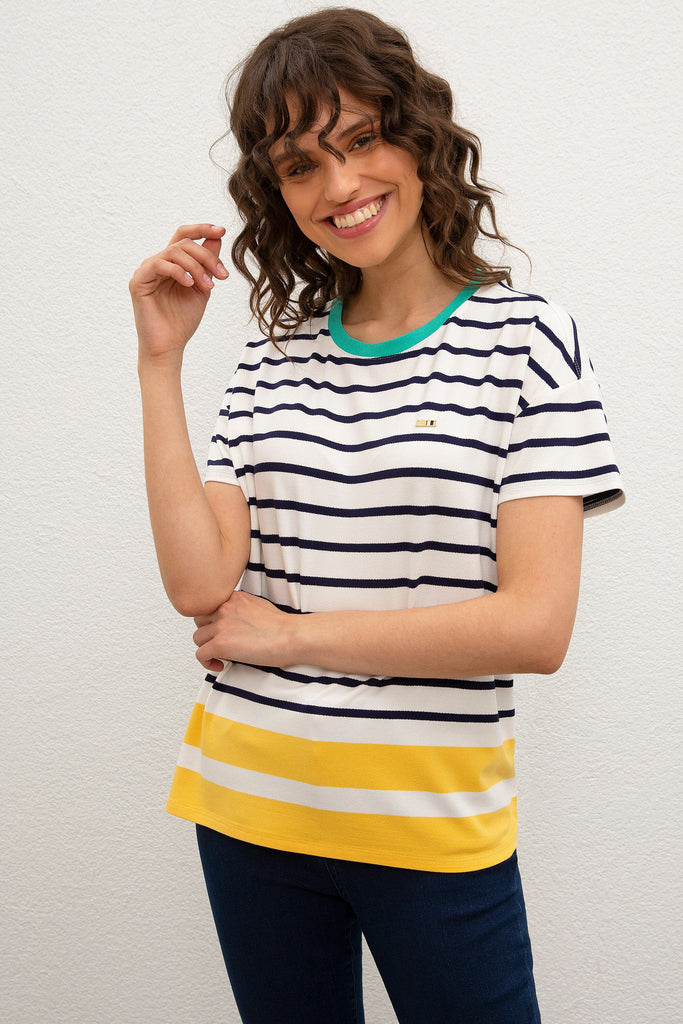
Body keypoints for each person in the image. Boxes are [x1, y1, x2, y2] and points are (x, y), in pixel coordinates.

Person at [129, 9, 624, 1023]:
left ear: (418, 136)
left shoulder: (528, 340)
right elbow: (198, 585)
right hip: (249, 808)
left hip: (431, 825)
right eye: (299, 164)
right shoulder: (269, 364)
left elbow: (534, 627)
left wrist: (288, 636)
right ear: (276, 192)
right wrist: (159, 362)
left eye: (360, 138)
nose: (339, 184)